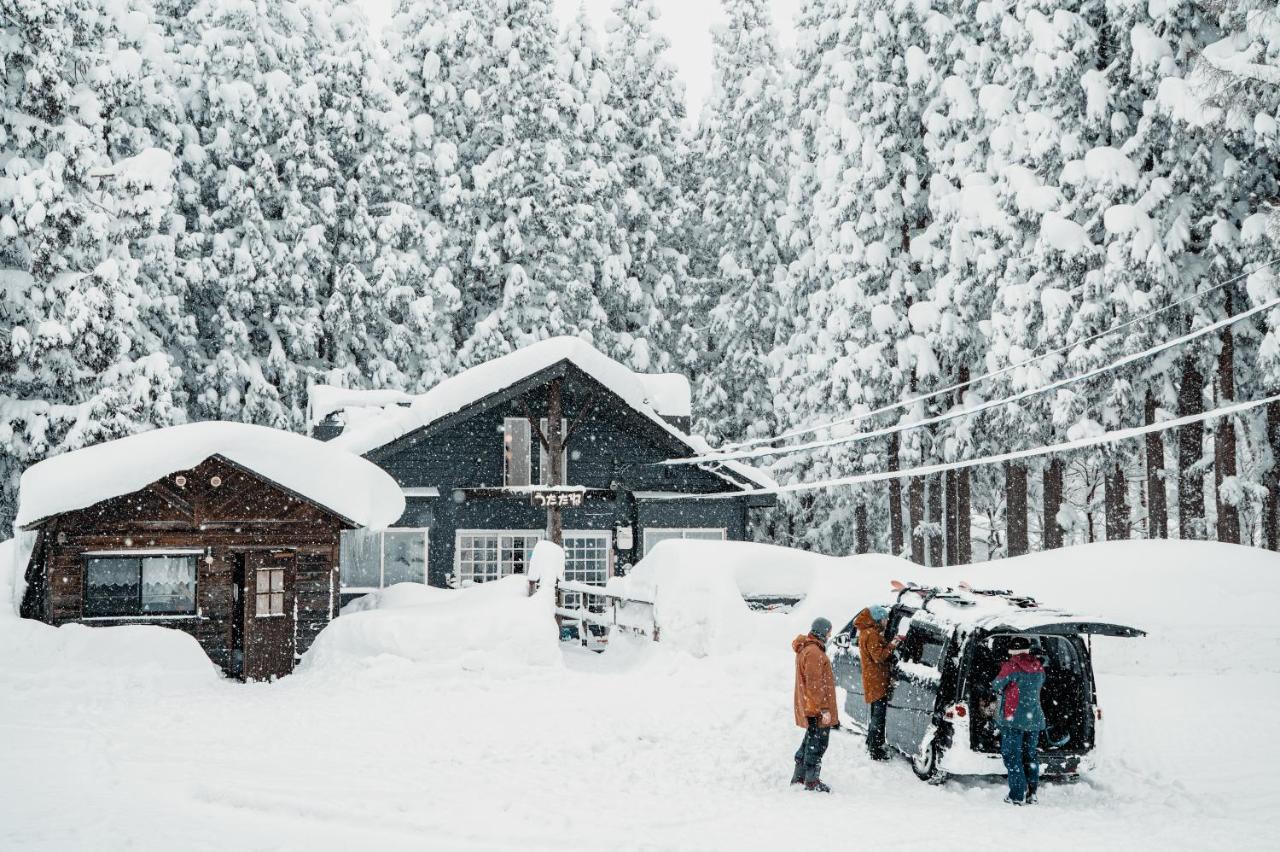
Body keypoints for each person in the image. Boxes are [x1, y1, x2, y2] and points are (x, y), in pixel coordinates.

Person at [992, 635, 1047, 805]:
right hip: (1035, 718)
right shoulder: (1038, 666)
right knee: (1030, 755)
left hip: (1013, 719)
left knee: (1012, 755)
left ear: (1011, 651)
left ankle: (1016, 795)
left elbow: (996, 685)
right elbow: (1040, 683)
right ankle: (1032, 793)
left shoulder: (1011, 666)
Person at [791, 616, 839, 792]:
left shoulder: (809, 649)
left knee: (810, 740)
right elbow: (815, 685)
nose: (829, 635)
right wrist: (824, 709)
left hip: (811, 706)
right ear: (822, 632)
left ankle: (799, 776)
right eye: (828, 631)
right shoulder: (814, 653)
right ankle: (811, 781)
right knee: (818, 743)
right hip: (816, 708)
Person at [854, 605, 899, 760]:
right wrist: (893, 645)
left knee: (875, 714)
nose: (887, 621)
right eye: (885, 618)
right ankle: (875, 750)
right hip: (876, 680)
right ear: (879, 619)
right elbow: (878, 657)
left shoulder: (867, 632)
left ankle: (871, 743)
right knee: (878, 717)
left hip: (873, 679)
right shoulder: (871, 634)